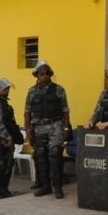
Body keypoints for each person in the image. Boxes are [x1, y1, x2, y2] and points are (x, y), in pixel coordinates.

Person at [25, 61, 71, 199]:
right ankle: (46, 186)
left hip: (55, 125)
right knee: (40, 155)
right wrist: (28, 129)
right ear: (37, 75)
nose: (44, 76)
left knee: (55, 154)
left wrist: (66, 127)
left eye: (46, 74)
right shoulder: (32, 91)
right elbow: (27, 111)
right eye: (41, 74)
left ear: (50, 75)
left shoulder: (59, 89)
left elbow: (65, 110)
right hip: (38, 127)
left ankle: (58, 187)